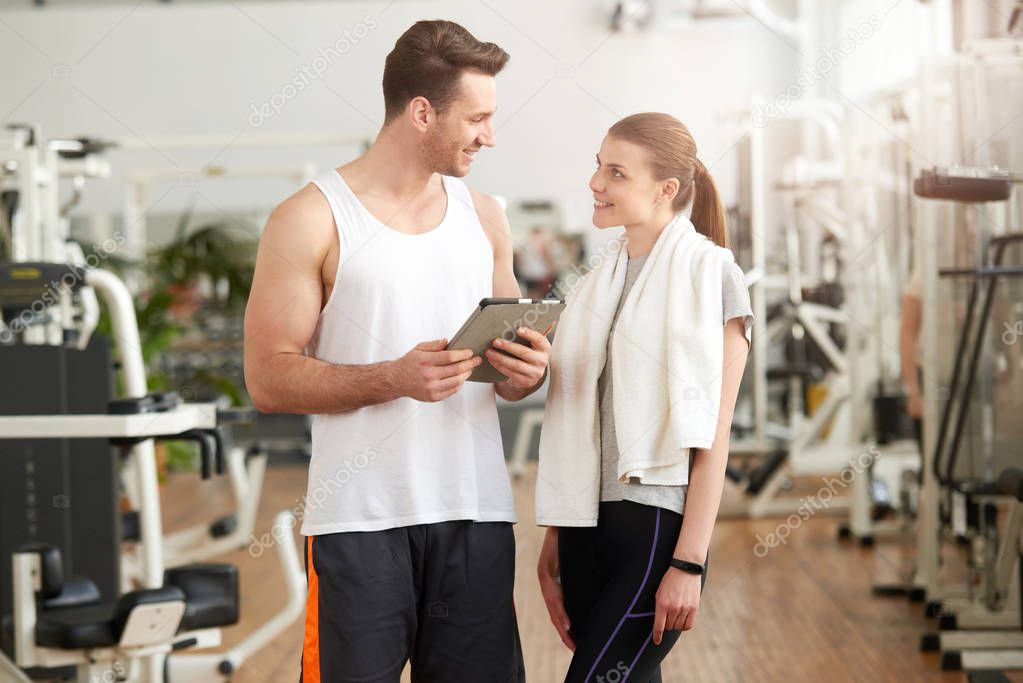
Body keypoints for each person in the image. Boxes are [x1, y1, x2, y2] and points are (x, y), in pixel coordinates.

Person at [243, 20, 550, 683]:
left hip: (475, 514)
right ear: (420, 113)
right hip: (359, 522)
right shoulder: (310, 217)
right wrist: (393, 377)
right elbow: (267, 377)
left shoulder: (486, 215)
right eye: (477, 118)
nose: (489, 136)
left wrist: (524, 373)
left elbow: (506, 369)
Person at [535, 113, 752, 682]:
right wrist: (557, 531)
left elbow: (716, 431)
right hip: (584, 525)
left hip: (656, 529)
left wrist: (690, 561)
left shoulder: (713, 273)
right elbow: (582, 417)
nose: (596, 184)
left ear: (666, 190)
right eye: (597, 167)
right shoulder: (592, 282)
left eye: (615, 172)